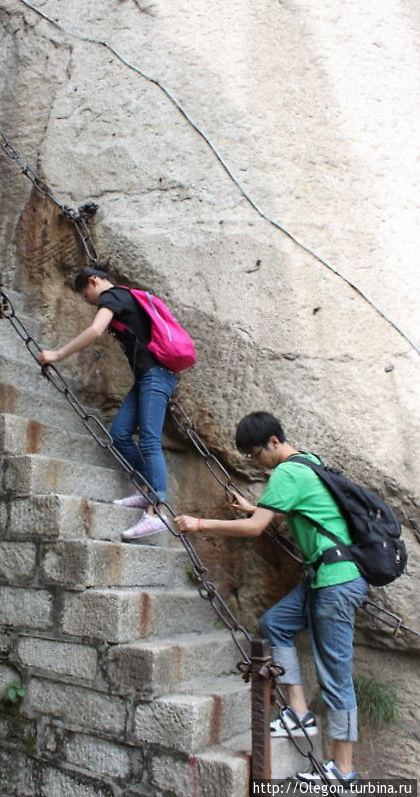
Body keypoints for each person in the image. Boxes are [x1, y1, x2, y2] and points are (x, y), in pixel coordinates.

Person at [174, 411, 369, 785]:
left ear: (274, 443)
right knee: (275, 623)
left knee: (336, 677)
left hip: (336, 582)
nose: (254, 462)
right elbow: (299, 512)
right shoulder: (308, 462)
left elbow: (254, 528)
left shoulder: (287, 472)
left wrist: (200, 524)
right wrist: (255, 508)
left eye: (253, 454)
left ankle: (343, 773)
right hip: (324, 578)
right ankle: (298, 713)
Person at [37, 266, 177, 540]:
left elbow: (94, 330)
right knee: (120, 434)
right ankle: (147, 488)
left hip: (156, 376)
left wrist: (57, 354)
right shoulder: (124, 298)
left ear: (93, 281)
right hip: (146, 378)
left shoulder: (112, 296)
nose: (88, 301)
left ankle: (157, 512)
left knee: (149, 440)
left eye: (85, 294)